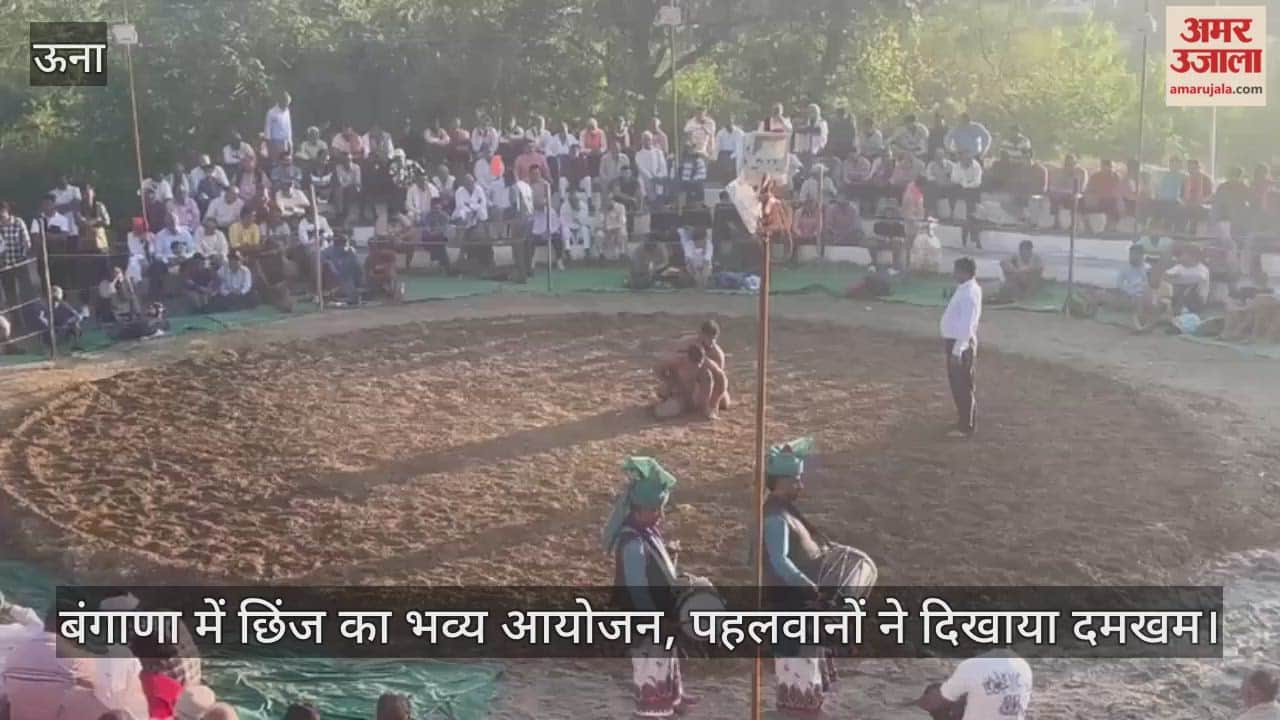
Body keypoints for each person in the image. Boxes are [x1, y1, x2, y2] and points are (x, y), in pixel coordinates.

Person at [601, 457, 689, 719]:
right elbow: (638, 589)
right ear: (639, 511)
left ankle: (671, 700)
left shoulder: (646, 531)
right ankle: (654, 710)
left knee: (664, 659)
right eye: (656, 510)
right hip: (643, 618)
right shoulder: (632, 543)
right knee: (651, 667)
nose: (660, 515)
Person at [758, 436, 838, 715]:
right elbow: (779, 562)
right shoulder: (774, 517)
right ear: (781, 482)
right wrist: (810, 588)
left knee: (806, 673)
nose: (800, 485)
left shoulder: (785, 512)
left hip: (798, 604)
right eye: (796, 480)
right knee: (797, 674)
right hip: (789, 604)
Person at [916, 649, 1033, 720]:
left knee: (936, 690)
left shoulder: (972, 665)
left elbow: (936, 702)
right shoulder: (1023, 665)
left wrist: (918, 702)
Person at [940, 257, 981, 438]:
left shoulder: (969, 293)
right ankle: (964, 421)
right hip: (959, 342)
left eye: (956, 271)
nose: (954, 274)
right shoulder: (967, 289)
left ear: (964, 272)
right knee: (961, 385)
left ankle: (966, 426)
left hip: (961, 344)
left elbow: (967, 326)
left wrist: (957, 350)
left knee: (962, 385)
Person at [1165, 244, 1212, 314]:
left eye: (1184, 254)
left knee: (1190, 286)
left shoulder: (1203, 269)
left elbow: (1197, 278)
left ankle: (1179, 310)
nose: (1181, 257)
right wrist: (1173, 278)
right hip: (1178, 298)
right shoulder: (1179, 267)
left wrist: (1175, 278)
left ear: (1193, 257)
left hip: (1197, 301)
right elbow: (1165, 276)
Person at [949, 154, 983, 248]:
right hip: (960, 188)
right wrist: (963, 182)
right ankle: (971, 236)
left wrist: (967, 184)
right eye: (965, 159)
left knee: (970, 214)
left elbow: (977, 181)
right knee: (954, 188)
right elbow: (954, 179)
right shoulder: (957, 166)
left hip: (972, 189)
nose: (967, 161)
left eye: (969, 159)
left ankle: (973, 235)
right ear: (962, 159)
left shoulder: (976, 166)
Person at [1081, 159, 1125, 231]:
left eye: (1110, 166)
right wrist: (1092, 196)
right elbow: (1089, 189)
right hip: (1097, 200)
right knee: (1082, 203)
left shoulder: (1116, 177)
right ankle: (1087, 226)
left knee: (1115, 205)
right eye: (1105, 166)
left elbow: (1119, 191)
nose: (1107, 169)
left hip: (1111, 200)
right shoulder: (1095, 177)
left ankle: (1110, 228)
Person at [36, 285, 84, 350]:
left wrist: (67, 322)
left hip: (63, 326)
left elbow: (77, 316)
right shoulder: (45, 305)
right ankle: (48, 347)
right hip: (51, 327)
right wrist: (47, 323)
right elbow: (41, 317)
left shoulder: (64, 305)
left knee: (76, 325)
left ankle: (76, 344)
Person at [322, 234, 362, 305]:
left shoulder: (350, 250)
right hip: (334, 277)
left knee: (352, 295)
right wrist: (330, 264)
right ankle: (334, 295)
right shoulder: (330, 250)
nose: (343, 244)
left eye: (345, 242)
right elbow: (322, 259)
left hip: (347, 277)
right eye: (341, 242)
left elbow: (356, 266)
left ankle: (351, 296)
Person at [635, 132, 669, 204]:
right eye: (645, 139)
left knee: (661, 181)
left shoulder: (658, 152)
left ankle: (659, 201)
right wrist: (651, 178)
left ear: (652, 140)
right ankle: (646, 201)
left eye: (649, 139)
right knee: (640, 181)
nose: (647, 141)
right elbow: (642, 169)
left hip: (657, 176)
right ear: (642, 141)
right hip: (645, 177)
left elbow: (662, 166)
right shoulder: (638, 154)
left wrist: (659, 176)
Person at [714, 116, 744, 180]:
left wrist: (731, 157)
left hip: (735, 155)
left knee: (733, 169)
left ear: (733, 121)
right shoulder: (720, 133)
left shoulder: (739, 133)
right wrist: (715, 158)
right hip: (723, 154)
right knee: (723, 162)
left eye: (730, 121)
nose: (728, 123)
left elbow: (740, 148)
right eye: (726, 121)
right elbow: (717, 147)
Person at [602, 196, 628, 262]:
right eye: (606, 202)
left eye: (608, 201)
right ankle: (609, 256)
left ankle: (621, 253)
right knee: (605, 235)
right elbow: (605, 223)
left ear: (612, 201)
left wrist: (616, 228)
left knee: (620, 233)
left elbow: (623, 221)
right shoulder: (605, 209)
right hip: (609, 229)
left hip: (619, 227)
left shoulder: (621, 207)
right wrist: (608, 229)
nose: (607, 203)